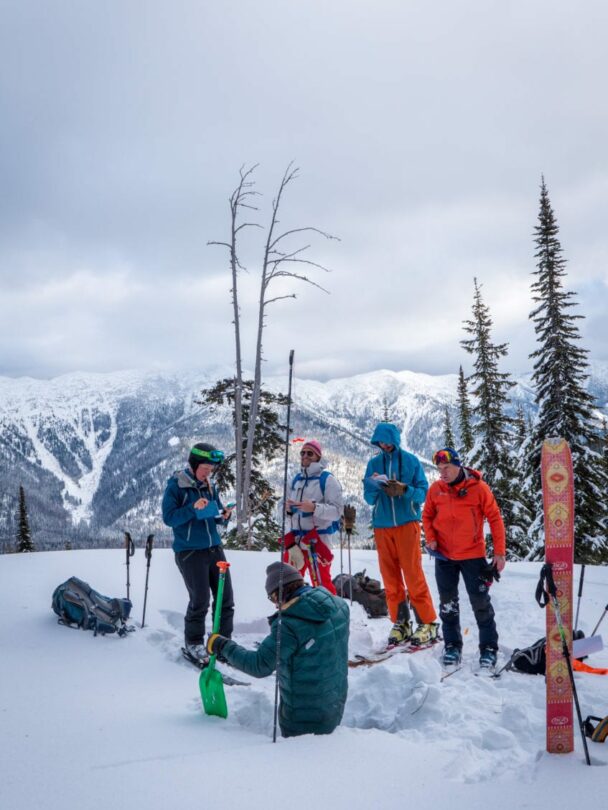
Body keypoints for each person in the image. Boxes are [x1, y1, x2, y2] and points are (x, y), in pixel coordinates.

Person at [207, 561, 349, 737]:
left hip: (303, 718)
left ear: (279, 593)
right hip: (334, 705)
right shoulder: (340, 607)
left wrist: (222, 645)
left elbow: (258, 665)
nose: (275, 605)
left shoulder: (289, 625)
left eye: (273, 599)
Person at [422, 447, 506, 669]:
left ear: (458, 465)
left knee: (480, 602)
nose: (443, 473)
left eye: (447, 468)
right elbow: (427, 515)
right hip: (444, 556)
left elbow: (495, 518)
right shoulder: (436, 489)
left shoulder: (478, 488)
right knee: (448, 604)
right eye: (440, 469)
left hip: (472, 555)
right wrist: (430, 538)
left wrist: (499, 552)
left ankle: (488, 648)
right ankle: (452, 645)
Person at [363, 422, 438, 647]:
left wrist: (404, 490)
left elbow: (422, 493)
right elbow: (368, 497)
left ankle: (427, 622)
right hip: (382, 525)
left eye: (387, 441)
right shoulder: (374, 463)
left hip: (407, 524)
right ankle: (401, 621)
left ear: (395, 441)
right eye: (380, 442)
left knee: (413, 573)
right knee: (390, 576)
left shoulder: (411, 461)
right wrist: (378, 486)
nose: (384, 445)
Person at [162, 442, 235, 663]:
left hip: (214, 549)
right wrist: (193, 509)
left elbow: (215, 514)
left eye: (211, 470)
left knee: (225, 599)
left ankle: (222, 642)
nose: (208, 473)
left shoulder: (209, 485)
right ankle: (194, 643)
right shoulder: (176, 486)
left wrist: (224, 516)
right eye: (205, 469)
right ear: (194, 465)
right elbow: (169, 517)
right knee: (200, 600)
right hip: (190, 552)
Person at [282, 439, 343, 595]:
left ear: (318, 457)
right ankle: (292, 615)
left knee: (322, 584)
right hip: (294, 541)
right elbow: (281, 506)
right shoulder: (296, 480)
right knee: (289, 582)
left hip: (318, 539)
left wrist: (315, 508)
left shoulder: (327, 480)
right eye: (302, 453)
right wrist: (287, 509)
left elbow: (337, 512)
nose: (305, 456)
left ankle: (330, 614)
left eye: (310, 453)